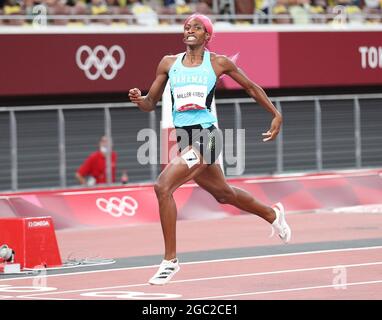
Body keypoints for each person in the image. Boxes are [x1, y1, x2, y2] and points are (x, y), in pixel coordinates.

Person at [129, 13, 291, 285]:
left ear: (207, 35)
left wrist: (276, 114)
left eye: (197, 27)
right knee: (224, 194)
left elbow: (251, 88)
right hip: (184, 138)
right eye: (186, 27)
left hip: (209, 136)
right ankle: (272, 214)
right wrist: (139, 99)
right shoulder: (168, 63)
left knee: (163, 186)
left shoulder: (218, 63)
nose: (190, 30)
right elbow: (150, 104)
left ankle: (170, 261)